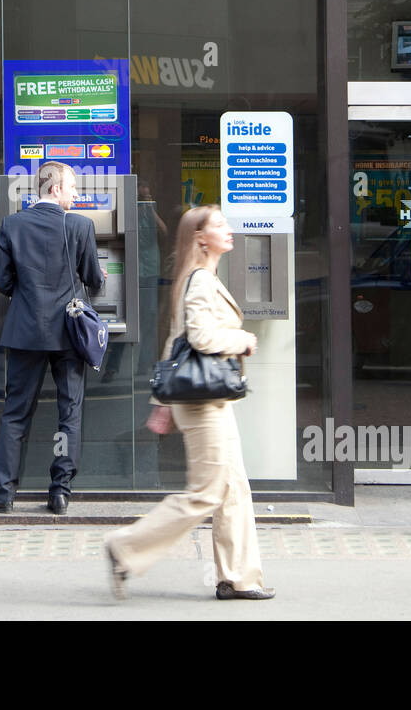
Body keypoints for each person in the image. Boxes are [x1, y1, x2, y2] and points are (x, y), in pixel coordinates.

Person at [103, 204, 275, 601]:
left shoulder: (201, 277)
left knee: (234, 488)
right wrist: (243, 341)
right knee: (207, 492)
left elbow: (174, 340)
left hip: (205, 400)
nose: (228, 230)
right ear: (201, 238)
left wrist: (161, 401)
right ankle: (124, 548)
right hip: (202, 405)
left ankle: (238, 578)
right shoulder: (199, 280)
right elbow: (200, 339)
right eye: (219, 225)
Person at [0, 161, 103, 515]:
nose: (77, 193)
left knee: (15, 414)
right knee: (69, 412)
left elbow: (2, 282)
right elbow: (94, 278)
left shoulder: (11, 225)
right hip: (69, 333)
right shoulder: (81, 226)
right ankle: (59, 492)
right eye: (73, 187)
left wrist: (29, 295)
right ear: (55, 188)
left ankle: (2, 495)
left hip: (26, 331)